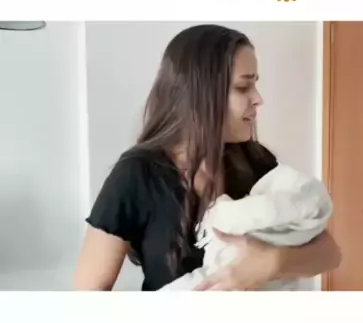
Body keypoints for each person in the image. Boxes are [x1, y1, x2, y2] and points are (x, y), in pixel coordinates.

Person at [74, 24, 342, 291]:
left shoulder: (255, 161)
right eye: (243, 87)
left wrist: (270, 263)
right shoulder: (136, 174)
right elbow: (87, 294)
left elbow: (330, 254)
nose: (258, 99)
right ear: (200, 93)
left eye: (255, 85)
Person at [161, 163, 334, 291]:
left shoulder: (253, 158)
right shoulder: (147, 172)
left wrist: (272, 262)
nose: (257, 111)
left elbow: (331, 255)